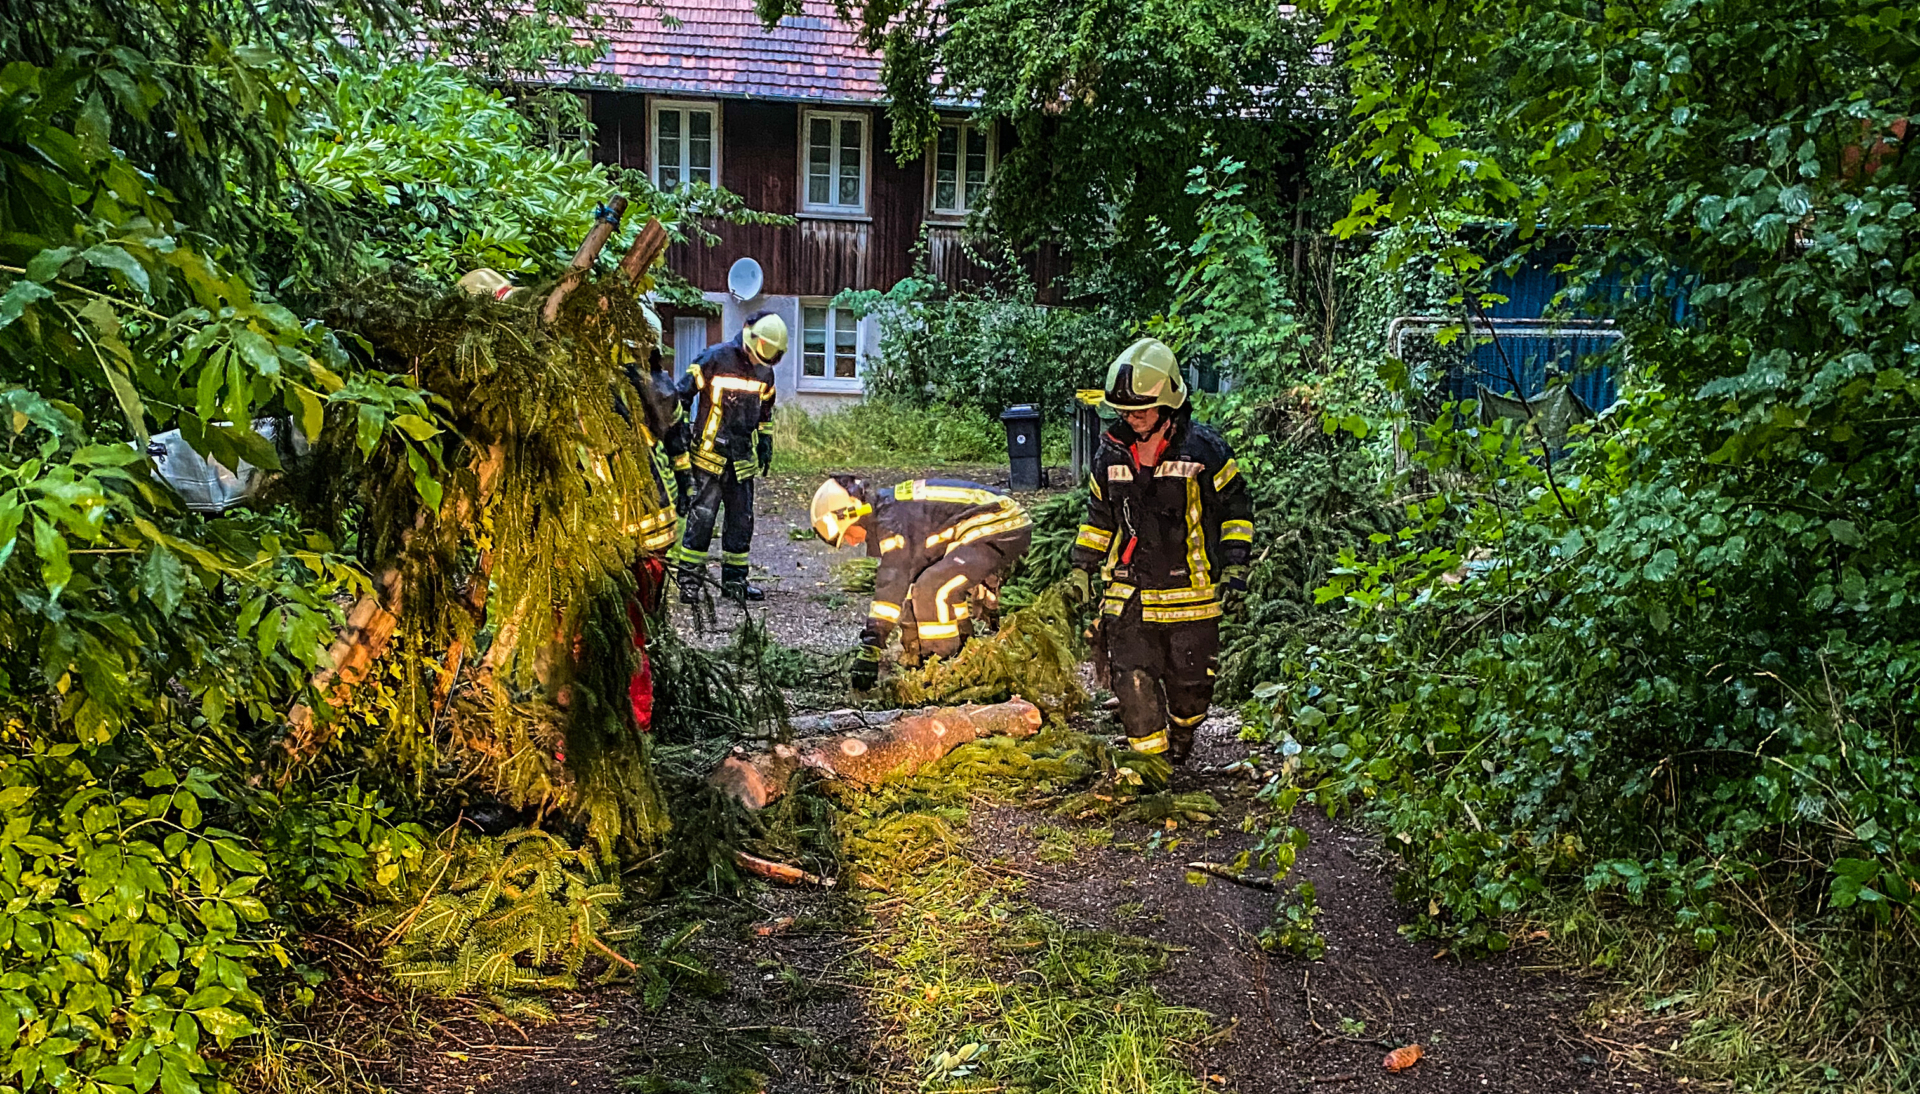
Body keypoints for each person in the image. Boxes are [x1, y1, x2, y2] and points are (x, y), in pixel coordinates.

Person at [1067, 337, 1253, 768]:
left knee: (1192, 689)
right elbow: (1099, 519)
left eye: (1141, 411)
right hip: (1129, 591)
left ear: (1168, 404)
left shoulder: (1204, 451)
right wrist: (1082, 568)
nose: (1131, 419)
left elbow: (1236, 511)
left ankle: (1183, 733)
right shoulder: (1109, 454)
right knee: (1132, 680)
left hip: (1192, 594)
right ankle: (1151, 768)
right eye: (1124, 412)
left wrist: (1235, 566)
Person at [811, 475, 1033, 690]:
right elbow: (906, 588)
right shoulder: (891, 512)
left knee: (933, 589)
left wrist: (871, 646)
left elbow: (891, 586)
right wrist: (912, 652)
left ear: (854, 514)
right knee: (929, 584)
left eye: (848, 534)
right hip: (992, 520)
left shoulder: (892, 523)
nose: (851, 542)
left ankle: (941, 671)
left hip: (999, 522)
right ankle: (964, 650)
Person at [671, 311, 785, 603]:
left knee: (741, 522)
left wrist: (766, 439)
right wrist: (681, 431)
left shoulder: (765, 371)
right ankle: (690, 583)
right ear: (752, 340)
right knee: (702, 520)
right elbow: (681, 394)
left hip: (742, 459)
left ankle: (735, 582)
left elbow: (766, 409)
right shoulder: (714, 358)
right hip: (708, 456)